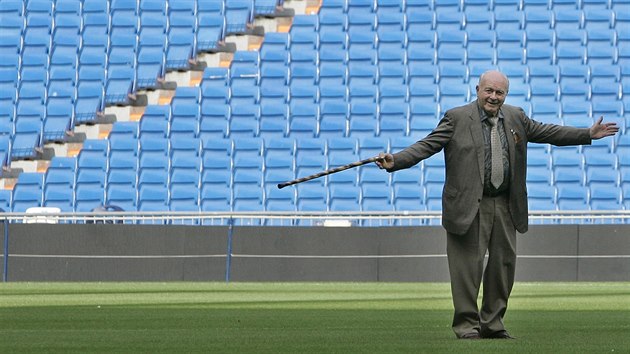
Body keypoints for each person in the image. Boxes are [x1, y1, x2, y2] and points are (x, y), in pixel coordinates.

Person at [376, 70, 619, 340]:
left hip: (505, 204)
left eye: (499, 92)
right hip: (469, 206)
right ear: (478, 89)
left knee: (503, 266)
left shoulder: (516, 116)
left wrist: (587, 133)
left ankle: (493, 324)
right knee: (467, 268)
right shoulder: (456, 118)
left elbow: (549, 132)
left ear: (506, 94)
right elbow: (427, 145)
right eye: (489, 91)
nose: (493, 97)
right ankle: (467, 326)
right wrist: (396, 160)